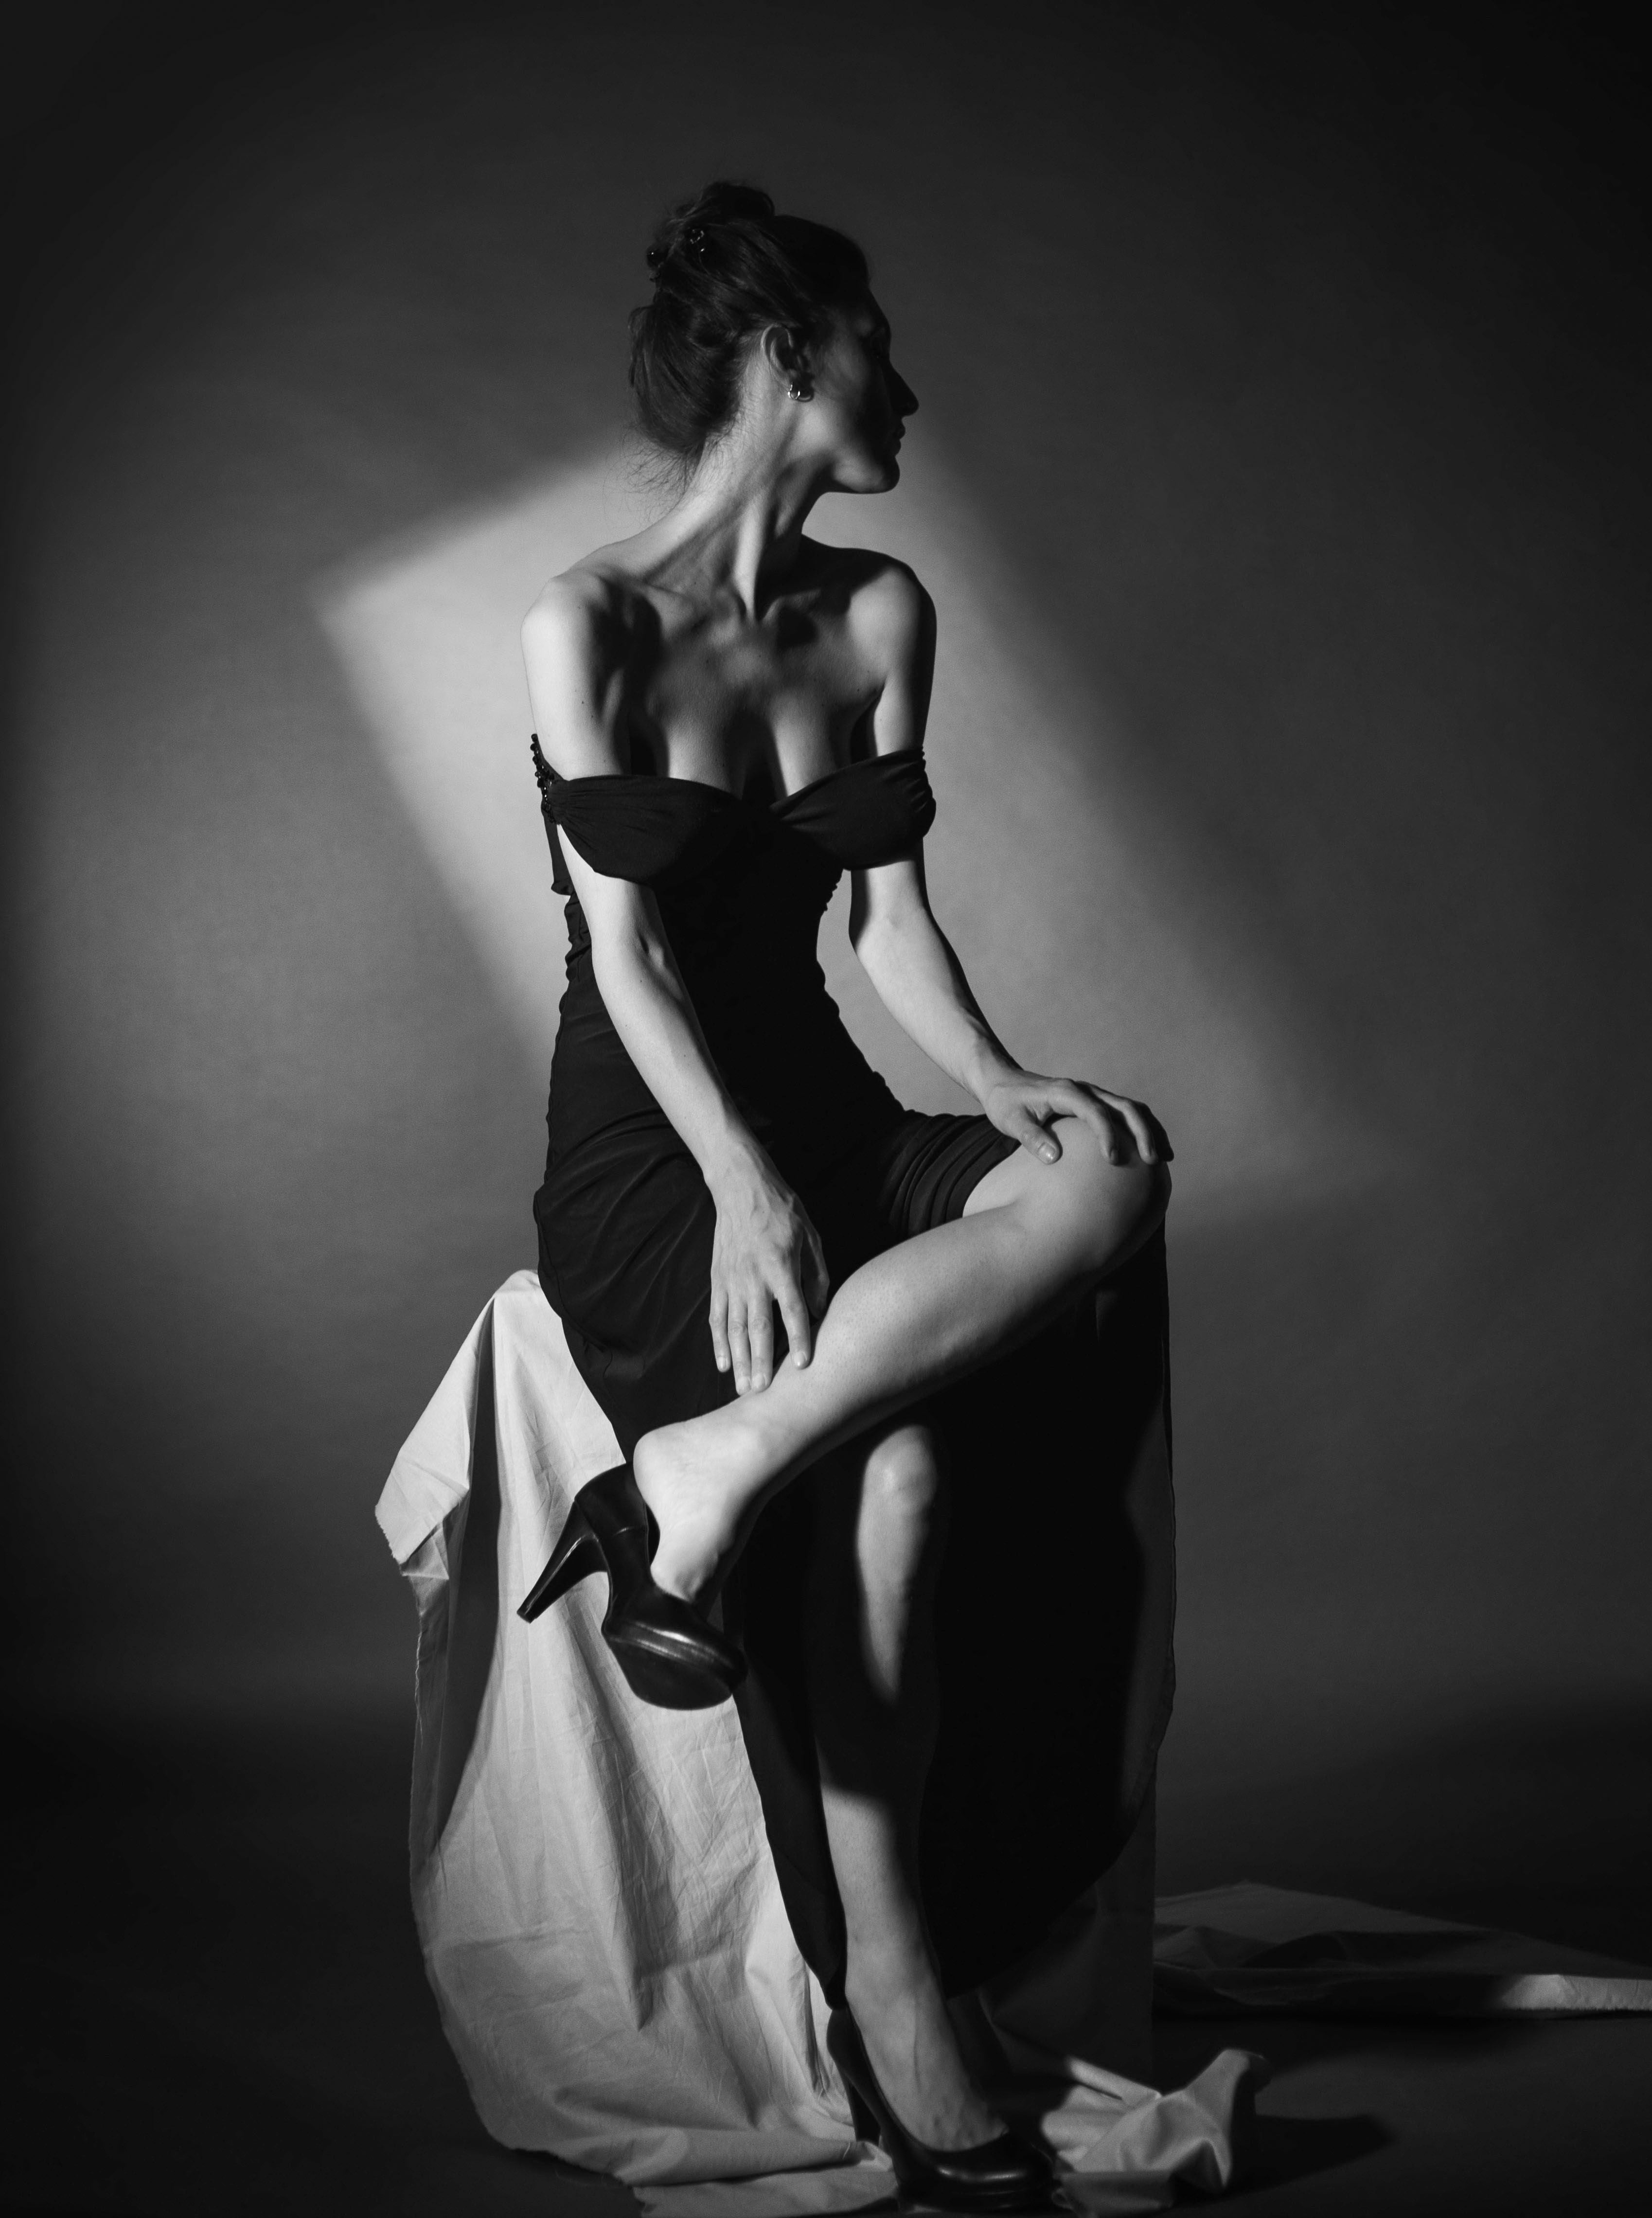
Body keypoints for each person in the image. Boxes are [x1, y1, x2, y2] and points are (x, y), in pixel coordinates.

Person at [519, 181, 1172, 2215]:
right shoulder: (585, 622)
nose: (909, 384)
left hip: (835, 1114)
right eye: (879, 341)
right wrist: (743, 1191)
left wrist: (1000, 1082)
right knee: (896, 1472)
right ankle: (898, 1998)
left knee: (1111, 1161)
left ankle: (703, 1476)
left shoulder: (882, 609)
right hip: (653, 1151)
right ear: (791, 353)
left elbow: (887, 921)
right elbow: (629, 962)